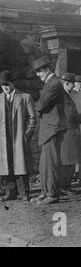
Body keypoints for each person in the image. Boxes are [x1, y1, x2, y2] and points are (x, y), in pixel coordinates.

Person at [30, 56, 66, 205]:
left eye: (39, 72)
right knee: (45, 163)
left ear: (46, 70)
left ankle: (52, 194)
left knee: (50, 163)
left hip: (52, 129)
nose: (38, 75)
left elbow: (41, 105)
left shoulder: (54, 83)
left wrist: (34, 106)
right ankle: (44, 192)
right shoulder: (49, 83)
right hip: (48, 129)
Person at [0, 70, 36, 202]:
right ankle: (10, 192)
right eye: (2, 85)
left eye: (7, 84)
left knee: (21, 165)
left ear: (13, 83)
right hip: (4, 139)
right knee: (7, 165)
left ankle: (24, 192)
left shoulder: (25, 97)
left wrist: (26, 135)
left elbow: (32, 119)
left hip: (19, 137)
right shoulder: (0, 99)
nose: (5, 88)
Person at [59, 73, 81, 194]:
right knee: (67, 162)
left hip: (70, 133)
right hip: (67, 133)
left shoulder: (67, 95)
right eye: (72, 84)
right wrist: (80, 117)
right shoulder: (63, 96)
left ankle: (66, 186)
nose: (74, 86)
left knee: (69, 161)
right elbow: (69, 115)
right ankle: (64, 187)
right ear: (66, 84)